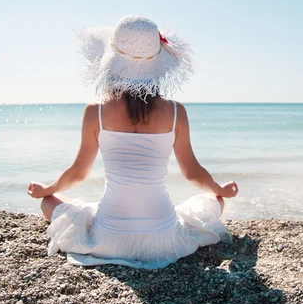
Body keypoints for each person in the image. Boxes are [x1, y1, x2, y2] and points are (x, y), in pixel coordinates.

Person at [27, 15, 238, 269]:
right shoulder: (175, 112)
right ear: (157, 65)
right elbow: (192, 173)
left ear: (111, 63)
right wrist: (220, 190)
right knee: (215, 203)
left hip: (109, 238)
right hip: (162, 240)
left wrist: (47, 190)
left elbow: (78, 174)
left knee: (48, 203)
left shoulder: (96, 112)